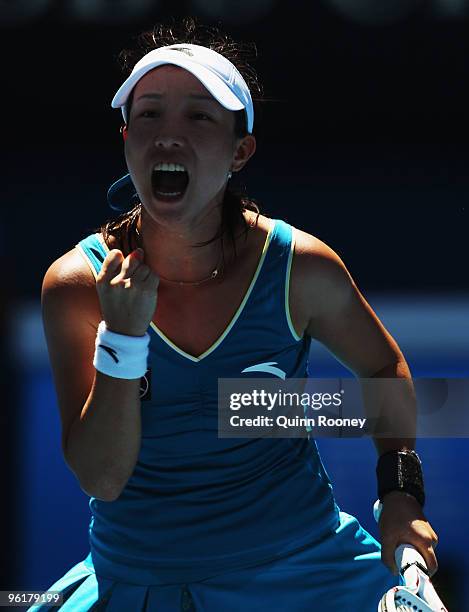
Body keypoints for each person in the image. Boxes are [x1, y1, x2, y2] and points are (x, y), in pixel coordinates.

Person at [32, 17, 439, 612]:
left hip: (308, 572)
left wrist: (401, 497)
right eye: (149, 114)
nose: (169, 135)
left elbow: (382, 367)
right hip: (137, 584)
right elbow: (102, 478)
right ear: (126, 139)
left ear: (239, 150)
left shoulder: (303, 268)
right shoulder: (75, 285)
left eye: (199, 116)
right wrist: (123, 336)